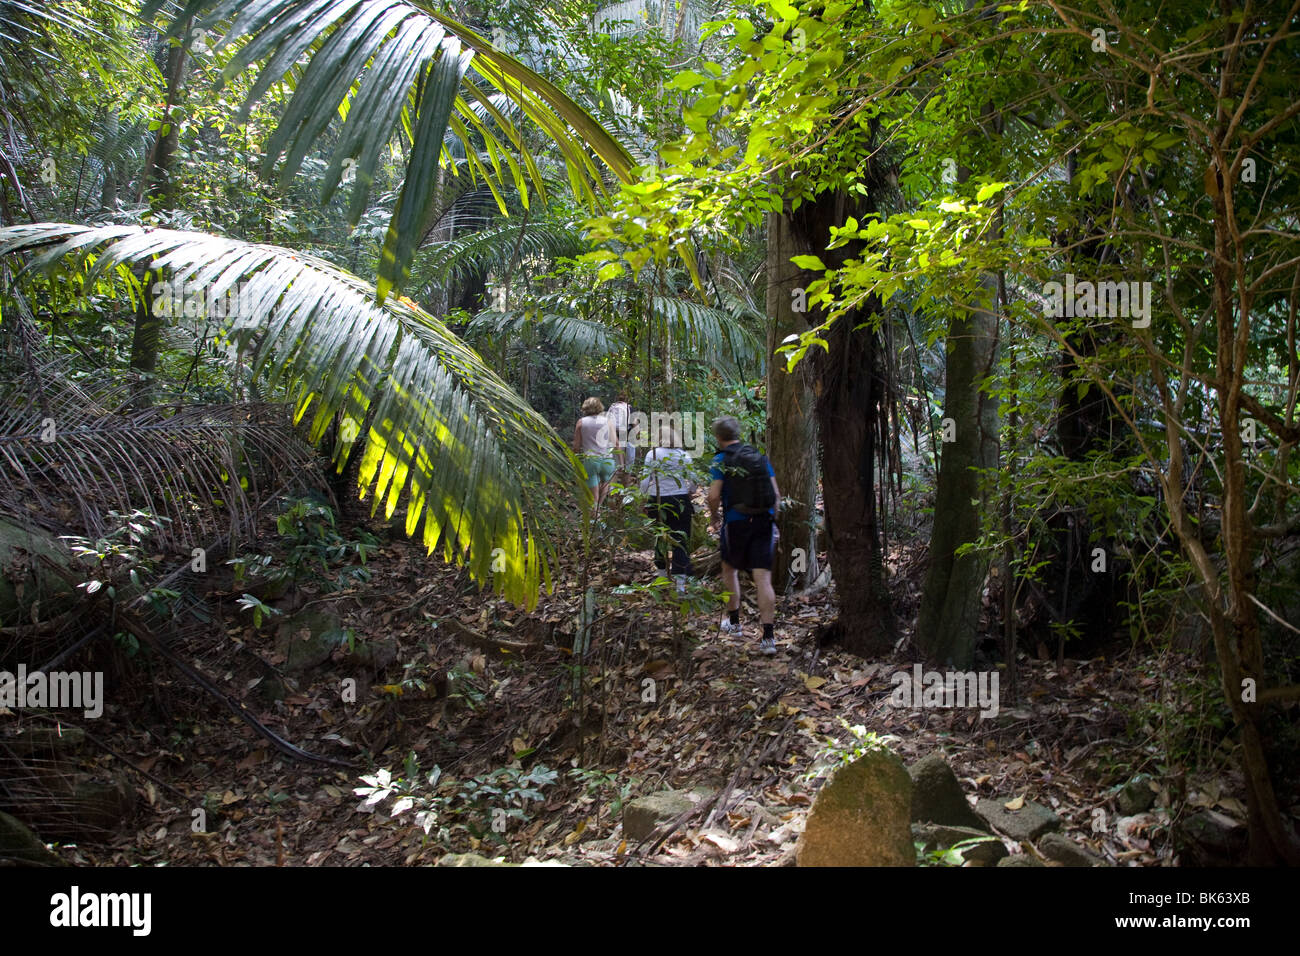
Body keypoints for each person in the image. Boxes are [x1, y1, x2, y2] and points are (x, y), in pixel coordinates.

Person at [707, 415, 780, 656]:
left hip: (736, 522)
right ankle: (768, 638)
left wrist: (714, 517)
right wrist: (773, 520)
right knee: (763, 579)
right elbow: (776, 494)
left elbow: (713, 496)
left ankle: (735, 623)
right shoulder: (759, 457)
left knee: (729, 569)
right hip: (764, 522)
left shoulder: (720, 460)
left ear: (718, 437)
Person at [640, 421, 696, 593]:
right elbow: (694, 479)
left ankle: (662, 576)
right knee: (680, 541)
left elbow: (645, 480)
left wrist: (643, 499)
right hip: (680, 501)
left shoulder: (652, 454)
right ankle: (680, 586)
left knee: (660, 537)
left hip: (657, 501)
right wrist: (689, 492)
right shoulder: (684, 455)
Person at [573, 397, 616, 513]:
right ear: (600, 407)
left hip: (590, 459)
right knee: (606, 481)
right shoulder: (608, 421)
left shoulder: (581, 422)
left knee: (592, 482)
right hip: (607, 459)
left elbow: (576, 446)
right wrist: (621, 460)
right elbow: (615, 442)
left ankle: (595, 510)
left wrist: (574, 460)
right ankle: (600, 507)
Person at [607, 392, 635, 472]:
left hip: (613, 442)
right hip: (627, 440)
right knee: (627, 470)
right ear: (627, 399)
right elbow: (636, 426)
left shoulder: (612, 407)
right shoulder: (629, 408)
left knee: (614, 470)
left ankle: (612, 483)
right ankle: (625, 483)